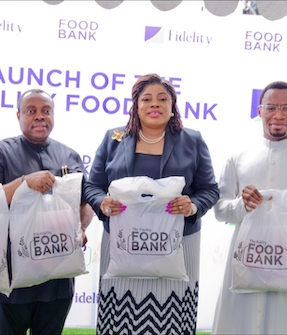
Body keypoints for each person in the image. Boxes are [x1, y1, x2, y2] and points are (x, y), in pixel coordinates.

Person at [84, 73, 219, 334]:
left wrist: (192, 205)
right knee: (120, 321)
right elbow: (92, 186)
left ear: (172, 106)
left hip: (178, 246)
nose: (154, 104)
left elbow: (210, 190)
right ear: (136, 105)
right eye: (147, 99)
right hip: (124, 244)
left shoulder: (192, 140)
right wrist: (102, 203)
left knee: (171, 322)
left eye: (162, 99)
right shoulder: (114, 138)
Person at [212, 81, 287, 334]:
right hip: (243, 272)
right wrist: (241, 205)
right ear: (259, 111)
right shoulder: (238, 157)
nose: (278, 115)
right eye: (271, 107)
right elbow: (220, 209)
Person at [0, 88, 94, 335]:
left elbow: (86, 201)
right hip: (10, 278)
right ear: (18, 115)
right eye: (31, 111)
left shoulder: (69, 155)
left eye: (46, 111)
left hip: (58, 277)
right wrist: (24, 182)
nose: (40, 116)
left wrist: (80, 228)